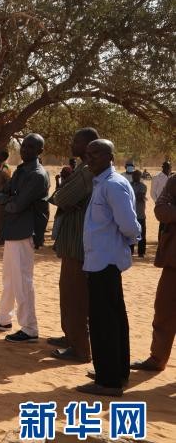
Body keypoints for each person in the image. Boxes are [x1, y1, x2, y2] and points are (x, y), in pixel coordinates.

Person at [77, 139, 141, 397]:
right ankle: (116, 371)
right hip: (100, 261)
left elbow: (129, 225)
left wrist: (129, 241)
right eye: (88, 154)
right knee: (113, 319)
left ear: (110, 157)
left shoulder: (113, 185)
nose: (89, 158)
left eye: (95, 154)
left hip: (106, 262)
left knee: (104, 322)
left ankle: (108, 381)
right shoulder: (102, 183)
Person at [0, 134, 50, 343]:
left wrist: (8, 200)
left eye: (31, 147)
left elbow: (17, 205)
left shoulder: (37, 175)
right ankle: (4, 318)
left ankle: (30, 328)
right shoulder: (21, 170)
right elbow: (1, 195)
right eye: (24, 146)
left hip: (25, 231)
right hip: (13, 229)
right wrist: (9, 200)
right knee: (10, 278)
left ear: (39, 151)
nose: (25, 150)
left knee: (22, 281)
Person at [46, 127, 98, 363]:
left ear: (87, 145)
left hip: (79, 245)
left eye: (76, 141)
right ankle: (70, 336)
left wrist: (63, 196)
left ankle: (80, 348)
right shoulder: (80, 170)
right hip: (71, 242)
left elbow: (62, 197)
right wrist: (62, 196)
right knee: (67, 293)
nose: (72, 144)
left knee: (76, 296)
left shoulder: (87, 172)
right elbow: (58, 196)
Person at [131, 172, 175, 373]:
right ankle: (157, 358)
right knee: (164, 311)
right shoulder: (174, 181)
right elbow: (160, 210)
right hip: (173, 262)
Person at [129, 169, 148, 258]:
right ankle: (130, 251)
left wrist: (131, 196)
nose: (135, 177)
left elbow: (140, 196)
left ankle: (141, 252)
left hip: (140, 214)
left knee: (141, 234)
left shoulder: (143, 186)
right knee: (130, 233)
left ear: (140, 176)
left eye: (137, 175)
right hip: (130, 213)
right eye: (134, 175)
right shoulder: (128, 184)